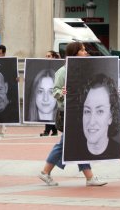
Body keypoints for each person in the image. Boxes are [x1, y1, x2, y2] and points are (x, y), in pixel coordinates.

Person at [38, 41, 107, 187]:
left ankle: (46, 172)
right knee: (73, 144)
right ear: (74, 53)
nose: (85, 52)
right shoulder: (63, 71)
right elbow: (55, 91)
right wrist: (62, 93)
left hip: (80, 112)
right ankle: (89, 177)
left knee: (70, 144)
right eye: (82, 50)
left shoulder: (85, 71)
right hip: (69, 112)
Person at [79, 73, 120, 157]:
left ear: (110, 117)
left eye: (100, 111)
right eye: (87, 111)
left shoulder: (116, 152)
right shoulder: (71, 152)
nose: (92, 122)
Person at [40, 50, 60, 137]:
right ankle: (52, 131)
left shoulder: (57, 67)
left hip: (54, 91)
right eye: (46, 56)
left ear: (54, 57)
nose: (46, 58)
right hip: (48, 92)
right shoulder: (45, 67)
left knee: (52, 111)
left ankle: (48, 131)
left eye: (49, 56)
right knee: (49, 111)